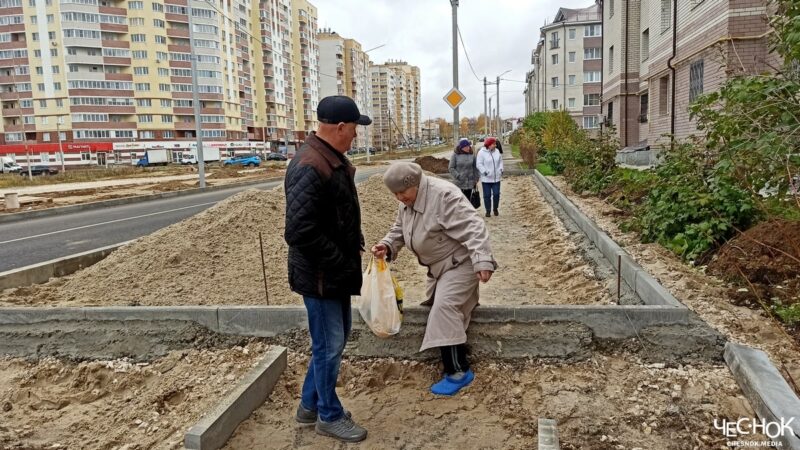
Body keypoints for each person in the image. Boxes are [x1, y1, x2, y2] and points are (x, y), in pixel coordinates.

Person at [284, 95, 371, 443]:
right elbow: (299, 232)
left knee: (332, 342)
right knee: (328, 345)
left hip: (332, 272)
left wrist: (355, 237)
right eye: (353, 130)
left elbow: (332, 212)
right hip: (321, 277)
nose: (355, 136)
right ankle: (328, 416)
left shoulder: (329, 157)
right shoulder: (310, 164)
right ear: (338, 128)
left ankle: (309, 405)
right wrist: (338, 259)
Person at [371, 162, 497, 396]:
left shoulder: (444, 196)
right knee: (435, 306)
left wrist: (482, 260)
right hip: (438, 268)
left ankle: (458, 371)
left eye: (403, 193)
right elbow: (400, 229)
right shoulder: (407, 203)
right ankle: (454, 357)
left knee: (444, 307)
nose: (399, 198)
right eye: (395, 194)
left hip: (461, 263)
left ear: (416, 184)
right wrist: (387, 245)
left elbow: (474, 226)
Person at [476, 137, 504, 217]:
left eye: (495, 144)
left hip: (496, 178)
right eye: (493, 144)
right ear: (489, 145)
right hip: (486, 179)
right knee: (487, 195)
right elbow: (479, 164)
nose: (495, 145)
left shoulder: (497, 151)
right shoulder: (481, 152)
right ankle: (488, 210)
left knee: (496, 194)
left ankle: (495, 208)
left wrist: (501, 169)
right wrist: (484, 171)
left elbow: (500, 161)